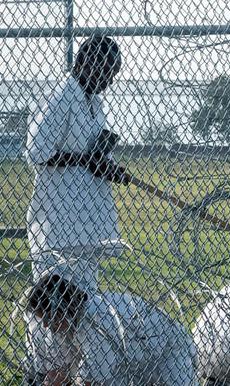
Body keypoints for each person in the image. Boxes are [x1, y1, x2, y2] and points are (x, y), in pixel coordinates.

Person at [25, 36, 130, 291]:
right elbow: (37, 152)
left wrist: (108, 167)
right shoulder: (61, 96)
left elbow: (92, 150)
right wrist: (85, 160)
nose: (109, 81)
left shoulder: (94, 101)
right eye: (106, 71)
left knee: (83, 308)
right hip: (58, 225)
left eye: (113, 74)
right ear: (85, 62)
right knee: (51, 308)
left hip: (85, 225)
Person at [25, 274, 195, 386]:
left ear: (63, 309)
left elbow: (90, 382)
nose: (46, 326)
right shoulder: (70, 323)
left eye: (48, 318)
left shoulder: (96, 321)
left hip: (169, 351)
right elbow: (64, 370)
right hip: (133, 359)